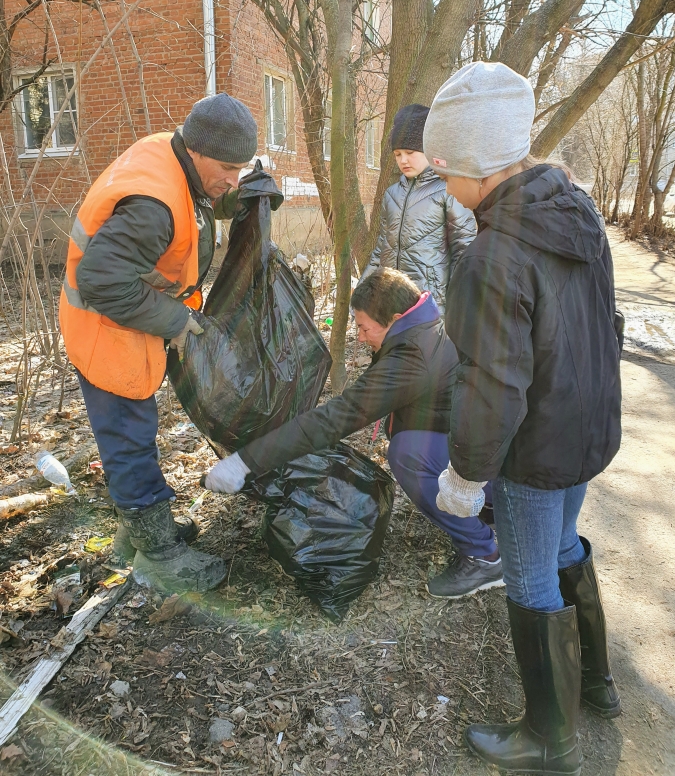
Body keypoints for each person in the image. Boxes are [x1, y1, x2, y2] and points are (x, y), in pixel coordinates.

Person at [423, 61, 623, 775]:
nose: (441, 186)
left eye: (442, 168)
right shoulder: (575, 209)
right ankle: (596, 685)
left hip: (535, 447)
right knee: (566, 545)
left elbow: (492, 387)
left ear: (473, 164)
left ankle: (550, 741)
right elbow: (607, 322)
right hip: (586, 427)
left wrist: (465, 475)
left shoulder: (490, 256)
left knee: (529, 578)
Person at [59, 93, 258, 595]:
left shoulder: (170, 156)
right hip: (107, 332)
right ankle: (161, 555)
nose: (232, 180)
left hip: (125, 324)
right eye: (229, 167)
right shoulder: (153, 204)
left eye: (243, 168)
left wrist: (248, 193)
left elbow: (198, 206)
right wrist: (174, 319)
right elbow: (101, 280)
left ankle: (138, 532)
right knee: (129, 437)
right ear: (197, 150)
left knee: (132, 434)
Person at [203, 267, 504, 598]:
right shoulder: (421, 326)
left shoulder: (413, 356)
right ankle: (489, 508)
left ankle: (484, 555)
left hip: (490, 463)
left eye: (363, 327)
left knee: (407, 454)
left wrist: (246, 461)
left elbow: (340, 417)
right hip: (481, 448)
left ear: (393, 318)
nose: (359, 337)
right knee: (405, 437)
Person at [360, 104, 475, 317]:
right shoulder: (391, 195)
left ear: (429, 150)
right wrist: (362, 291)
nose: (403, 160)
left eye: (410, 152)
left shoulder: (449, 190)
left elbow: (465, 250)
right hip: (391, 302)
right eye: (397, 154)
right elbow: (381, 248)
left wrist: (459, 305)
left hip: (431, 306)